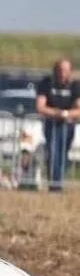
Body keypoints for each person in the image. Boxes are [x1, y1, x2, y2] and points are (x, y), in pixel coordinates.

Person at [35, 58, 80, 192]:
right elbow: (40, 106)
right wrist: (56, 113)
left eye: (66, 70)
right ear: (55, 70)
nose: (63, 73)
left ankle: (58, 181)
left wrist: (65, 114)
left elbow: (78, 108)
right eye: (60, 70)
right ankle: (55, 185)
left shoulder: (75, 86)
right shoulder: (46, 83)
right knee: (53, 151)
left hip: (68, 125)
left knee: (63, 154)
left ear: (70, 72)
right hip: (51, 124)